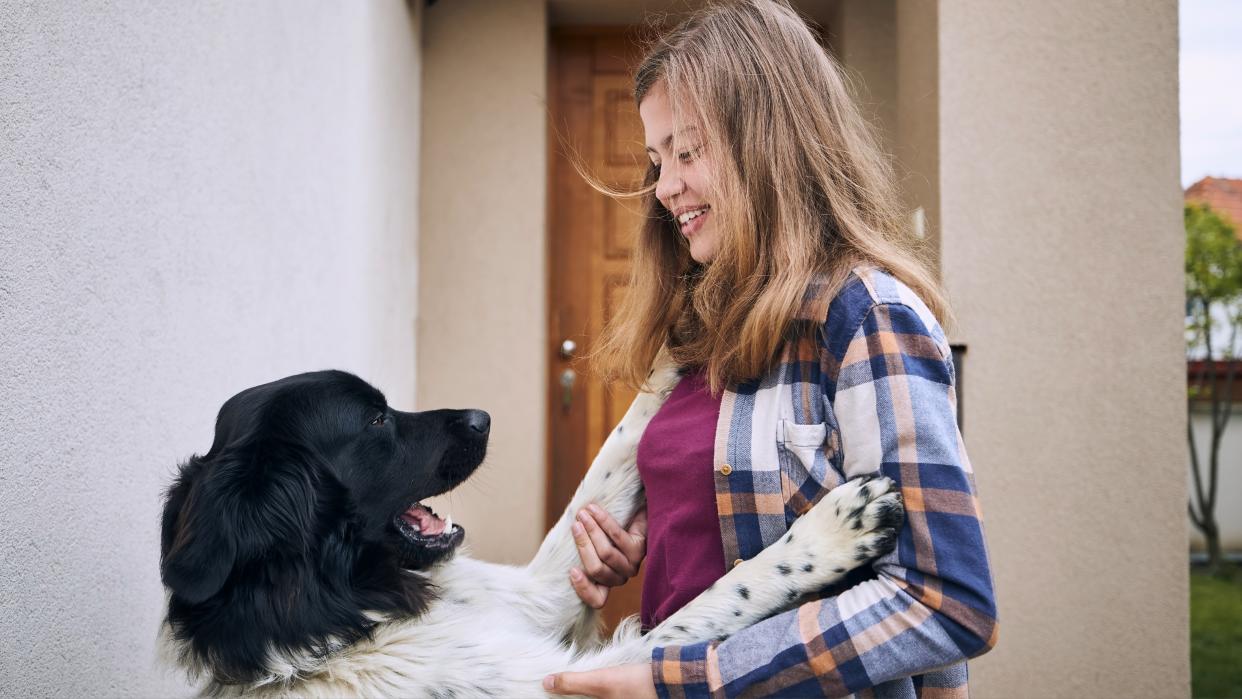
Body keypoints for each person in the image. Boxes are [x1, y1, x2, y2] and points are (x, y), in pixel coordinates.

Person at [543, 1, 998, 696]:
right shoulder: (702, 324)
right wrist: (651, 537)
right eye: (656, 159)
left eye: (687, 152)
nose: (664, 188)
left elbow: (945, 600)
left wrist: (693, 679)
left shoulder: (865, 315)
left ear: (771, 141)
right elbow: (727, 516)